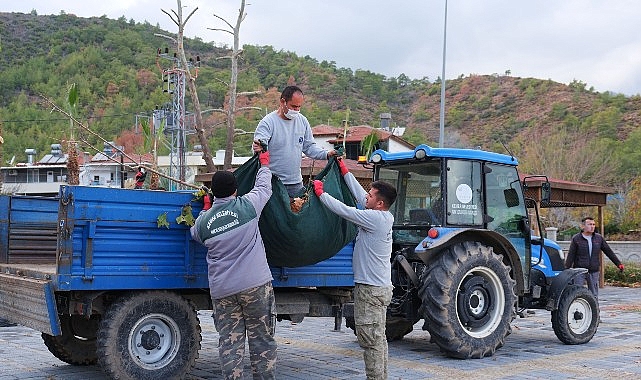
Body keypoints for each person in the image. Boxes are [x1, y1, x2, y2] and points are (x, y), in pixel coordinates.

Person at [190, 150, 277, 380]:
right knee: (262, 341)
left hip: (223, 291)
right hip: (255, 286)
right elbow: (264, 188)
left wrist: (206, 208)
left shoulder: (203, 224)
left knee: (230, 345)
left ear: (213, 193)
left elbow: (195, 233)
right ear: (235, 190)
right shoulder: (248, 206)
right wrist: (264, 164)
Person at [312, 159, 397, 380]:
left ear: (379, 203)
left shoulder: (374, 219)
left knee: (370, 340)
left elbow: (345, 211)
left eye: (371, 195)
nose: (366, 196)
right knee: (378, 339)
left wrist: (321, 194)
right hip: (379, 288)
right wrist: (345, 172)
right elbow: (361, 196)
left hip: (370, 291)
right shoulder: (383, 216)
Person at [252, 85, 337, 198]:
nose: (296, 110)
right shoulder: (268, 122)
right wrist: (257, 148)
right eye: (293, 106)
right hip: (272, 183)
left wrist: (326, 154)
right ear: (283, 102)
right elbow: (259, 146)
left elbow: (309, 148)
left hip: (295, 184)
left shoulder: (302, 121)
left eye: (299, 107)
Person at [565, 216, 624, 299]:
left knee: (594, 294)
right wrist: (566, 269)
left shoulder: (599, 238)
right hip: (579, 270)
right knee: (576, 292)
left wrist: (618, 264)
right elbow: (571, 255)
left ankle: (595, 311)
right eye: (590, 224)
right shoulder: (576, 238)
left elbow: (608, 251)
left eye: (593, 224)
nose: (592, 226)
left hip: (593, 270)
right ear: (583, 226)